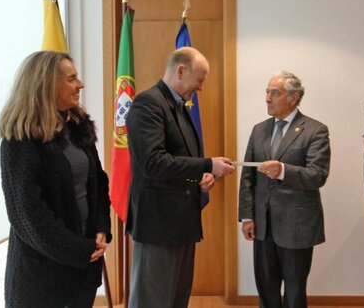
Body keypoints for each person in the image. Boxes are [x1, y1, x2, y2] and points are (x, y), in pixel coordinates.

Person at [0, 51, 111, 307]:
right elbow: (28, 215)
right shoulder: (19, 140)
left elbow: (98, 181)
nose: (80, 84)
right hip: (41, 277)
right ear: (46, 85)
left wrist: (101, 228)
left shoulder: (77, 124)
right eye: (71, 79)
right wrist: (79, 250)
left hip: (83, 268)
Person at [126, 46, 235, 308]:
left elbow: (179, 159)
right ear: (181, 70)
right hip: (158, 225)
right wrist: (207, 164)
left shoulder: (177, 106)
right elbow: (153, 163)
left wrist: (201, 177)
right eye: (200, 80)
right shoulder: (148, 104)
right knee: (151, 301)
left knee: (175, 300)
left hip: (180, 223)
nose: (201, 88)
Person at [239, 70, 331, 308]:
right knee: (266, 288)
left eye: (275, 93)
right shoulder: (259, 130)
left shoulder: (315, 130)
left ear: (294, 97)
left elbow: (317, 175)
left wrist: (282, 170)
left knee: (294, 290)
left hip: (297, 226)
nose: (268, 98)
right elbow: (248, 177)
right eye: (267, 92)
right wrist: (247, 216)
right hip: (263, 225)